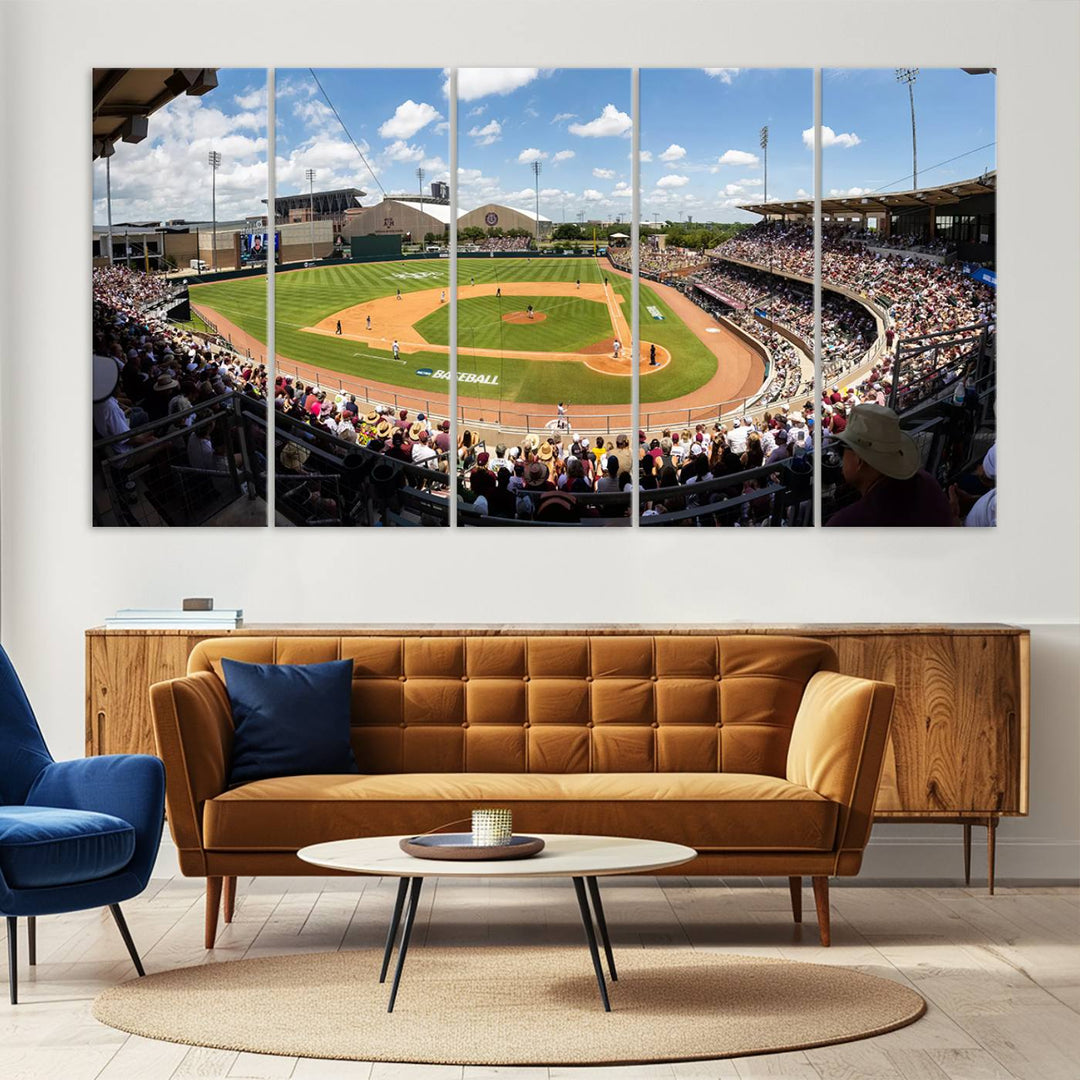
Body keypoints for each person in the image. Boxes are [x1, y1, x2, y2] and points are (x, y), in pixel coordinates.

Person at [825, 404, 953, 527]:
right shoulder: (927, 482)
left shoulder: (846, 524)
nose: (841, 457)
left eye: (842, 449)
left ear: (859, 460)